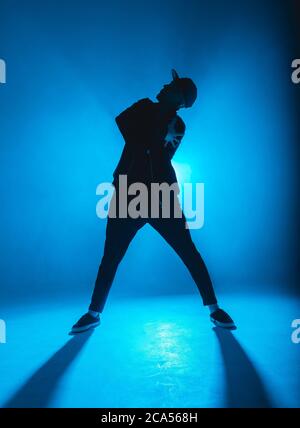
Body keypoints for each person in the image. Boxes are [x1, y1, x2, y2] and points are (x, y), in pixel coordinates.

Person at [71, 69, 235, 334]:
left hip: (161, 196)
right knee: (111, 256)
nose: (164, 86)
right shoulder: (144, 106)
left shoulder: (178, 126)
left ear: (179, 100)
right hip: (128, 193)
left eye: (171, 87)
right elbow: (125, 128)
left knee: (188, 252)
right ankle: (93, 313)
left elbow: (158, 155)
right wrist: (155, 129)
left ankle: (214, 308)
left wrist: (154, 133)